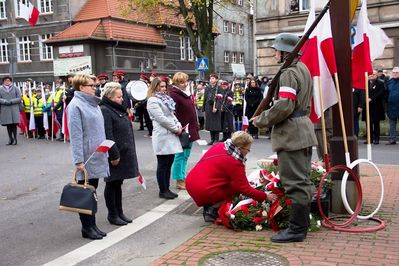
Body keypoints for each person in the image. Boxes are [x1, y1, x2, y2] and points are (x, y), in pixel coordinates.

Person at [251, 33, 317, 243]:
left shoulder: (289, 73)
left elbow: (284, 105)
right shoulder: (303, 68)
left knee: (295, 183)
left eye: (276, 49)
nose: (274, 53)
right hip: (302, 130)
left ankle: (297, 230)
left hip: (291, 134)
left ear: (285, 52)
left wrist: (261, 120)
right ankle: (301, 225)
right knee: (302, 180)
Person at [185, 131, 275, 223]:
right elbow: (245, 189)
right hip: (204, 190)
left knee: (230, 183)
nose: (248, 152)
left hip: (191, 182)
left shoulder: (221, 145)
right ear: (239, 148)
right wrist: (265, 196)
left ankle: (209, 204)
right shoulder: (235, 162)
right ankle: (212, 210)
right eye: (248, 149)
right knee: (236, 187)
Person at [67, 74, 109, 240]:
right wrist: (78, 161)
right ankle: (87, 227)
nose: (95, 87)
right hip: (85, 158)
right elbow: (76, 136)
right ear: (81, 87)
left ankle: (92, 225)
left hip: (97, 155)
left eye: (95, 85)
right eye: (91, 85)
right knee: (85, 193)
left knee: (92, 192)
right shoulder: (75, 105)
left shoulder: (94, 104)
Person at [100, 82, 140, 226]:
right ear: (110, 97)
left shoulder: (117, 108)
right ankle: (112, 214)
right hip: (114, 155)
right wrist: (114, 155)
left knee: (118, 183)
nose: (121, 99)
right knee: (112, 184)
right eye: (119, 97)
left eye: (122, 96)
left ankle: (119, 212)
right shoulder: (105, 110)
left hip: (123, 152)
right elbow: (108, 134)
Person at [147, 77, 182, 199]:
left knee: (169, 162)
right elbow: (161, 118)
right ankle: (163, 190)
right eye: (160, 86)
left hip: (170, 134)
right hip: (162, 135)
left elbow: (171, 114)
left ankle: (167, 188)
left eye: (164, 86)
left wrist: (179, 124)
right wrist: (175, 128)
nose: (163, 89)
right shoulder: (152, 100)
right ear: (155, 87)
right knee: (163, 163)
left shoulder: (166, 99)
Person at [168, 72, 200, 190]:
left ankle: (182, 177)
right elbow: (172, 113)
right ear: (176, 83)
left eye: (186, 81)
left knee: (185, 155)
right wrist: (178, 127)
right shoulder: (174, 95)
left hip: (189, 128)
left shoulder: (184, 93)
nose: (185, 84)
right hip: (183, 129)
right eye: (182, 82)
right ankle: (179, 179)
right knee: (180, 156)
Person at [362, 70, 385, 144]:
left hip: (376, 106)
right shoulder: (365, 83)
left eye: (374, 74)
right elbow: (362, 93)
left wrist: (371, 98)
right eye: (371, 74)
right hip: (367, 106)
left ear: (377, 75)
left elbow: (381, 93)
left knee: (376, 123)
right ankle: (370, 139)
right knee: (368, 123)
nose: (372, 76)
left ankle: (376, 139)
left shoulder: (380, 83)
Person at [0, 76, 21, 145]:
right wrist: (4, 101)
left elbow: (19, 98)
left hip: (14, 108)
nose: (7, 81)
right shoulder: (0, 89)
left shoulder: (15, 88)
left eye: (8, 80)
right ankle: (10, 139)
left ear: (11, 81)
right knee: (8, 125)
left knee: (14, 125)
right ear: (3, 81)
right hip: (5, 109)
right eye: (5, 80)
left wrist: (12, 101)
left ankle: (15, 139)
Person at [203, 74, 222, 145]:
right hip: (208, 107)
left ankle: (216, 139)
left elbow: (220, 99)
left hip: (215, 107)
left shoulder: (219, 88)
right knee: (210, 124)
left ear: (216, 80)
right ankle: (212, 139)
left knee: (215, 124)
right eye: (211, 78)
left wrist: (216, 107)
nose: (211, 80)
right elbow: (205, 98)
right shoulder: (207, 88)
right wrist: (204, 107)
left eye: (213, 78)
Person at [386, 67, 399, 145]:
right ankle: (392, 139)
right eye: (393, 72)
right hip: (391, 106)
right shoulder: (389, 82)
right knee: (392, 124)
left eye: (397, 73)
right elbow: (386, 93)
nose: (395, 74)